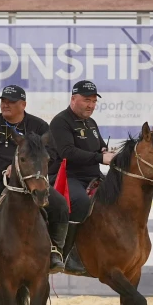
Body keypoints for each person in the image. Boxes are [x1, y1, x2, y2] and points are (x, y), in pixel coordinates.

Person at [0, 85, 69, 275]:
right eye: (3, 101)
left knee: (60, 205)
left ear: (23, 104)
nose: (5, 105)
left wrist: (28, 170)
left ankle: (55, 251)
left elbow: (53, 154)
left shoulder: (39, 126)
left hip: (31, 183)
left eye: (10, 102)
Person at [48, 80, 113, 276]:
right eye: (87, 100)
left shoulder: (91, 122)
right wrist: (101, 157)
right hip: (67, 175)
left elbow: (100, 147)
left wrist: (107, 152)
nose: (91, 105)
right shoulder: (60, 121)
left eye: (94, 101)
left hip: (92, 175)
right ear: (73, 99)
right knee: (80, 202)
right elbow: (67, 152)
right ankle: (68, 255)